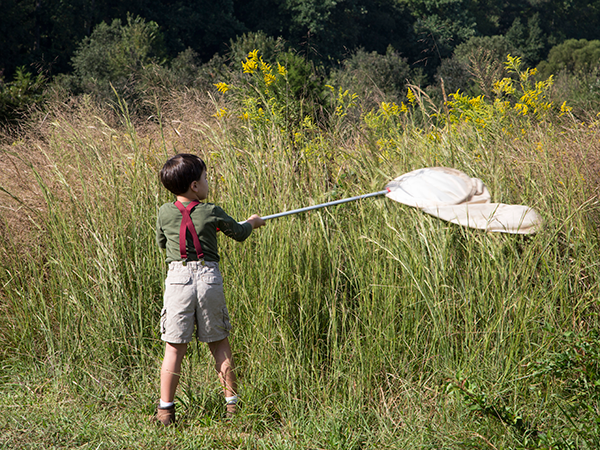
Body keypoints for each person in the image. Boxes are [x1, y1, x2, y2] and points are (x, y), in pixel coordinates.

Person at [155, 153, 265, 425]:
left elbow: (163, 243)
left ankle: (165, 411)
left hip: (177, 280)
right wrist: (252, 222)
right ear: (194, 185)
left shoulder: (164, 212)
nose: (207, 182)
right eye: (205, 178)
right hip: (208, 279)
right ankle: (232, 407)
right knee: (218, 343)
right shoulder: (211, 210)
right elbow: (238, 233)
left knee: (174, 348)